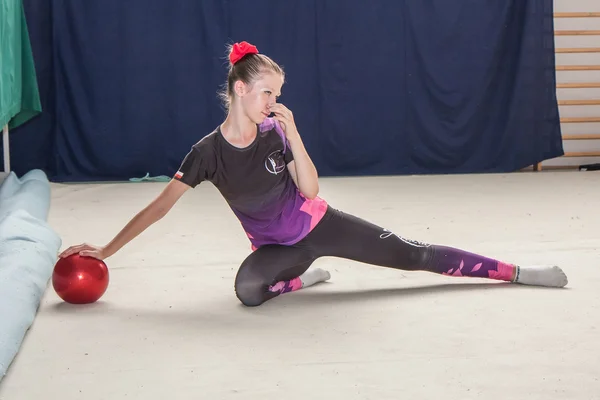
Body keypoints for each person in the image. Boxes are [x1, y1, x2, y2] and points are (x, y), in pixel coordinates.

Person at [59, 41, 568, 307]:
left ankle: (517, 272)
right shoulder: (207, 153)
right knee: (248, 292)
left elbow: (309, 188)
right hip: (278, 250)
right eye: (268, 94)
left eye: (277, 95)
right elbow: (158, 207)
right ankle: (304, 277)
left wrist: (295, 132)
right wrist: (105, 250)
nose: (274, 103)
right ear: (240, 90)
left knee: (413, 254)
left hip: (319, 224)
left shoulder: (277, 131)